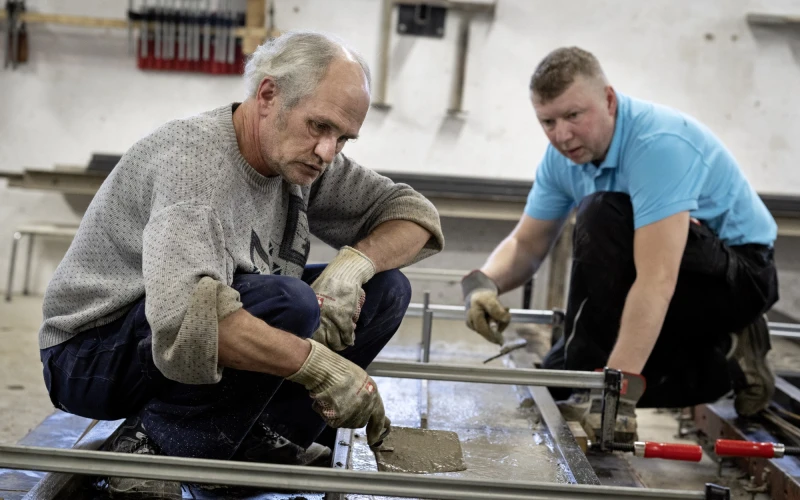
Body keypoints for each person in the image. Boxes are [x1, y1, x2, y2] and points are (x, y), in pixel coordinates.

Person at [38, 31, 444, 498]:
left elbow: (416, 216)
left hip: (167, 336)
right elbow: (186, 320)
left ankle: (260, 440)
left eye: (343, 138)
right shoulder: (194, 162)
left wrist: (352, 267)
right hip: (90, 354)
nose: (328, 152)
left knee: (386, 289)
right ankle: (152, 446)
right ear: (268, 95)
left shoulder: (302, 159)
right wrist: (322, 368)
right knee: (289, 302)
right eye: (319, 126)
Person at [462, 46, 778, 443]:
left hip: (739, 278)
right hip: (677, 276)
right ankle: (733, 359)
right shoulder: (563, 158)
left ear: (609, 100)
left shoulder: (657, 144)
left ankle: (731, 325)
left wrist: (616, 395)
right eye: (548, 121)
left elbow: (657, 278)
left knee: (602, 214)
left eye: (574, 115)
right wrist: (481, 286)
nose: (561, 135)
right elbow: (526, 244)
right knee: (598, 370)